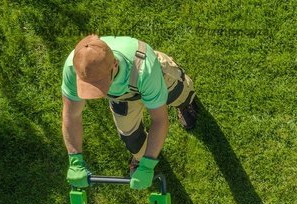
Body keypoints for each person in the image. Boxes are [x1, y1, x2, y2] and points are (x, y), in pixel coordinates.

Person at [62, 35, 199, 189]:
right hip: (122, 96)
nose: (96, 93)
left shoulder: (144, 67)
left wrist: (148, 166)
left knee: (180, 95)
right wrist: (75, 160)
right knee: (130, 136)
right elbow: (71, 115)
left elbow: (159, 119)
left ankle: (185, 104)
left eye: (99, 84)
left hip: (154, 76)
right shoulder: (74, 68)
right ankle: (140, 158)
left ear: (115, 64)